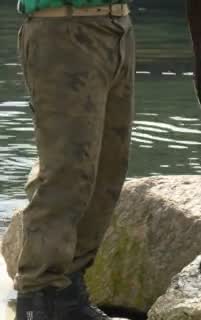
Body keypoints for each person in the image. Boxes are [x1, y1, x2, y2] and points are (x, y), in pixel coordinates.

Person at [12, 1, 135, 319]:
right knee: (67, 170)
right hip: (63, 30)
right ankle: (37, 299)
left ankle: (67, 295)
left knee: (108, 169)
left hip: (118, 28)